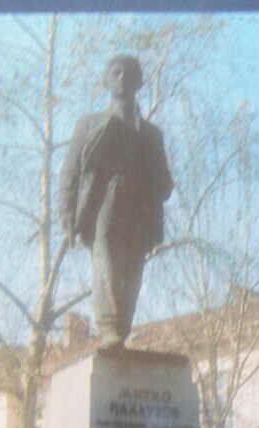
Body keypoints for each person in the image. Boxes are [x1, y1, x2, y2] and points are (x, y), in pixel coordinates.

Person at [59, 54, 174, 348]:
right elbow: (71, 170)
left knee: (133, 265)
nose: (122, 78)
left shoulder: (151, 134)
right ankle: (109, 326)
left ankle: (121, 329)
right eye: (116, 72)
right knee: (107, 260)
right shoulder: (89, 123)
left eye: (129, 73)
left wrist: (159, 182)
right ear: (106, 80)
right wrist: (67, 213)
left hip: (139, 205)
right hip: (104, 199)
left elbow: (164, 180)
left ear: (139, 82)